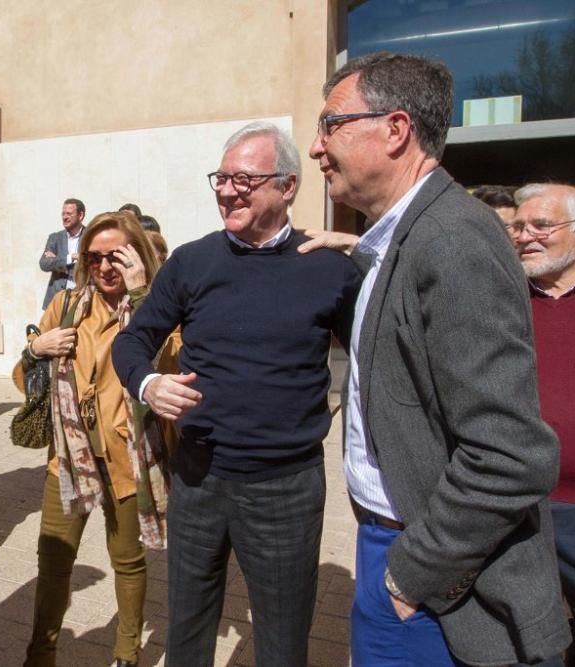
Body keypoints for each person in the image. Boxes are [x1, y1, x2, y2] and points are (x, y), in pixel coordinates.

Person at [303, 51, 567, 666]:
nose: (317, 147)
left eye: (331, 125)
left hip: (437, 582)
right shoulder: (400, 237)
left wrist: (409, 577)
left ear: (395, 130)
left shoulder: (451, 240)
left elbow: (510, 455)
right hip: (398, 552)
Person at [112, 121, 361, 666]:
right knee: (188, 628)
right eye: (221, 178)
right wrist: (149, 383)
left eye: (244, 180)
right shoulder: (193, 261)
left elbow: (388, 340)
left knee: (282, 639)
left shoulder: (326, 267)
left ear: (288, 185)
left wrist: (371, 249)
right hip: (198, 476)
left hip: (285, 487)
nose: (227, 191)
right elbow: (133, 340)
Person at [23, 210, 170, 667]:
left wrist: (146, 293)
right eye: (95, 256)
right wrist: (34, 349)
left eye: (118, 256)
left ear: (138, 257)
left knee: (127, 560)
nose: (106, 267)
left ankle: (127, 652)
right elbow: (22, 380)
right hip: (66, 458)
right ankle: (40, 654)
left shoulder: (162, 309)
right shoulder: (65, 306)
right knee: (53, 562)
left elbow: (170, 361)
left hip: (128, 458)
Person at [510, 183, 575, 659]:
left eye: (541, 225)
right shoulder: (499, 296)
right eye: (518, 226)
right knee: (531, 643)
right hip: (518, 507)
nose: (525, 236)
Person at [40, 198, 86, 309]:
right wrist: (69, 258)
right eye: (63, 214)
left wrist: (57, 263)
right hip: (56, 299)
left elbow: (90, 261)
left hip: (81, 297)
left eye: (69, 214)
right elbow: (44, 264)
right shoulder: (55, 238)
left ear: (80, 215)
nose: (65, 217)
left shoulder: (90, 236)